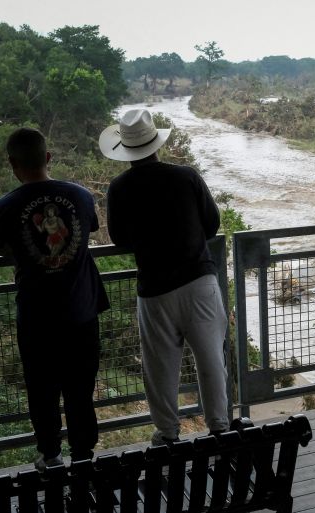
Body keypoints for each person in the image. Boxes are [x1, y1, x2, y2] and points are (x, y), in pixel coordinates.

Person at [101, 109, 229, 445]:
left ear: (126, 150)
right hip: (199, 282)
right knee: (211, 358)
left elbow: (119, 240)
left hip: (155, 290)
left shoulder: (118, 188)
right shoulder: (186, 176)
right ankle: (219, 426)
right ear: (157, 143)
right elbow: (212, 224)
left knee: (160, 368)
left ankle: (168, 433)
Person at [0, 128, 109, 470]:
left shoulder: (3, 207)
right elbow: (90, 229)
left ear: (12, 163)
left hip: (37, 316)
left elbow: (0, 246)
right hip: (82, 311)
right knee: (80, 390)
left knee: (41, 390)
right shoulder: (81, 196)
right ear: (48, 157)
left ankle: (51, 456)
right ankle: (84, 456)